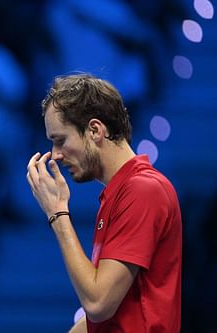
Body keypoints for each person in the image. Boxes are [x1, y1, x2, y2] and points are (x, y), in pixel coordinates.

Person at [26, 74, 182, 332]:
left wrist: (58, 213)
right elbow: (110, 316)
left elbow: (98, 303)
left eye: (60, 140)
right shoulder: (124, 192)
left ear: (95, 130)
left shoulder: (142, 190)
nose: (55, 155)